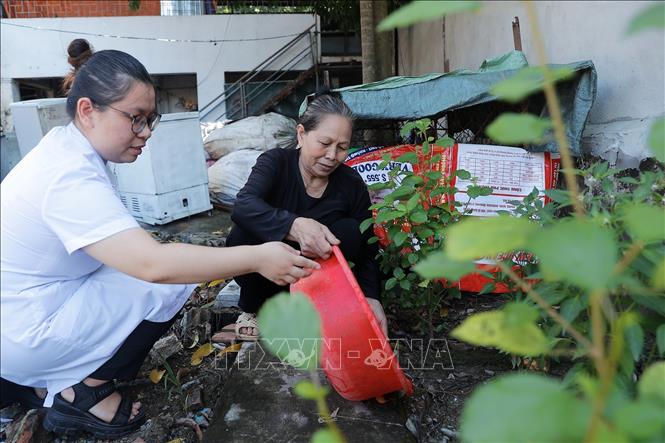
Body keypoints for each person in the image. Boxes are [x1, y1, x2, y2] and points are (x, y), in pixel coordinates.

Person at [0, 39, 319, 440]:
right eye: (136, 118)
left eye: (151, 119)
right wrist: (256, 257)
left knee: (160, 265)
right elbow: (154, 265)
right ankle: (84, 394)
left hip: (22, 315)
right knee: (171, 278)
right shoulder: (68, 175)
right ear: (87, 111)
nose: (146, 132)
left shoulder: (68, 151)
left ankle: (40, 382)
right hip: (21, 330)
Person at [226, 92, 388, 340]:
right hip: (270, 280)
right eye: (324, 143)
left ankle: (317, 308)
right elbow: (243, 205)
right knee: (242, 234)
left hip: (319, 281)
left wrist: (372, 297)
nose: (332, 155)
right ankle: (256, 309)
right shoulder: (276, 163)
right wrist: (295, 225)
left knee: (352, 231)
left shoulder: (351, 184)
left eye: (342, 147)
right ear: (301, 135)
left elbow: (368, 248)